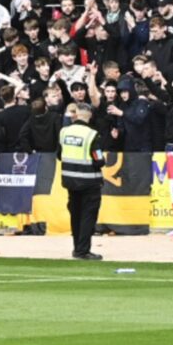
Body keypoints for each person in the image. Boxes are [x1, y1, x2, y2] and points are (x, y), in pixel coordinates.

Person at [59, 96, 112, 261]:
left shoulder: (64, 131)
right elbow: (99, 160)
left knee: (75, 215)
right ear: (89, 116)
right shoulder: (92, 135)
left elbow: (59, 155)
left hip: (69, 181)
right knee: (88, 217)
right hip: (89, 181)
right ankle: (83, 250)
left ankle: (77, 248)